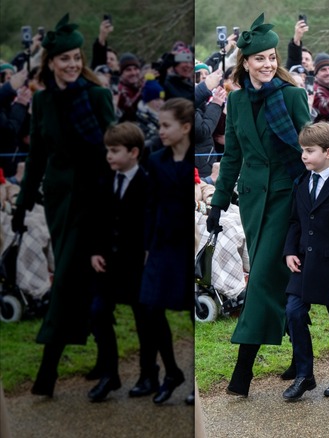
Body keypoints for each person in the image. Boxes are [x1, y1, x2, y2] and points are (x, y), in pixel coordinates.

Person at [11, 13, 116, 397]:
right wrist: (22, 207)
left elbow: (115, 149)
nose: (72, 64)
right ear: (50, 62)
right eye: (64, 58)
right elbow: (37, 157)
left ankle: (47, 374)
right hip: (57, 202)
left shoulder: (97, 96)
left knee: (70, 280)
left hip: (94, 202)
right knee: (87, 283)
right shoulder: (42, 101)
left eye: (77, 57)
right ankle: (109, 365)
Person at [206, 13, 309, 398]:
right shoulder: (235, 99)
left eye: (272, 57)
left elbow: (309, 148)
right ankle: (302, 359)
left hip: (286, 197)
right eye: (260, 58)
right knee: (278, 278)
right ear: (244, 62)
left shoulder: (293, 95)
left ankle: (242, 372)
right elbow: (232, 156)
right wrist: (217, 204)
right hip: (250, 201)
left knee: (264, 276)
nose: (268, 64)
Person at [282, 122, 329, 401]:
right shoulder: (301, 182)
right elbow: (295, 221)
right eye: (302, 150)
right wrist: (290, 250)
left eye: (309, 151)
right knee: (293, 311)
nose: (303, 155)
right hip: (303, 262)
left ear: (328, 152)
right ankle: (304, 374)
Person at [87, 122, 152, 402]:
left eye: (115, 151)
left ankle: (148, 374)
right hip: (108, 264)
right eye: (107, 151)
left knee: (144, 320)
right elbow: (98, 221)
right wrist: (95, 251)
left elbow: (151, 222)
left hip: (137, 265)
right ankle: (110, 374)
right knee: (98, 312)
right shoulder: (106, 180)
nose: (109, 156)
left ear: (133, 152)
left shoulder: (147, 182)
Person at [140, 97, 194, 404]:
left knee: (187, 311)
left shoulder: (190, 162)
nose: (160, 131)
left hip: (186, 245)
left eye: (165, 125)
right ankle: (172, 371)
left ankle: (193, 383)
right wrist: (147, 244)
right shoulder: (156, 159)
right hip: (161, 244)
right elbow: (150, 204)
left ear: (185, 127)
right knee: (150, 308)